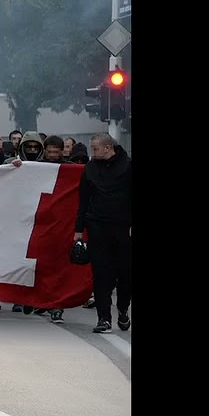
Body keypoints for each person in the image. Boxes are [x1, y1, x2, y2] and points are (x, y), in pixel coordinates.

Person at [74, 133, 132, 334]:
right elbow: (83, 200)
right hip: (96, 226)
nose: (93, 152)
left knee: (125, 275)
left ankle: (123, 308)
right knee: (101, 274)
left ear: (108, 148)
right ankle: (103, 318)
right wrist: (78, 230)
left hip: (123, 228)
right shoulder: (90, 168)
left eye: (96, 148)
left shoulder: (128, 166)